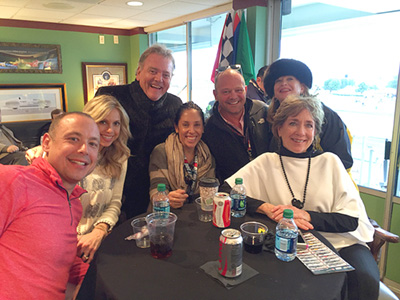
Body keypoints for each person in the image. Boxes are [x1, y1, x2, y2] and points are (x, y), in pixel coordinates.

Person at [223, 95, 379, 300]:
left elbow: (349, 220)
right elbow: (226, 190)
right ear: (279, 129)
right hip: (293, 244)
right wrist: (265, 207)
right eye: (293, 123)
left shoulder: (330, 162)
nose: (301, 132)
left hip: (343, 243)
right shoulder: (267, 162)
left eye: (309, 125)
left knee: (364, 279)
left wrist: (306, 215)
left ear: (315, 132)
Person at [0, 112, 100, 299]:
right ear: (46, 142)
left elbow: (60, 259)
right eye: (73, 138)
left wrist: (88, 278)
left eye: (93, 144)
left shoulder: (74, 204)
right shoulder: (14, 180)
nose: (84, 149)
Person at [96, 44, 182, 219]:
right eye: (153, 71)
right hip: (112, 189)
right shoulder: (110, 95)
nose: (159, 79)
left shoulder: (175, 105)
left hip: (158, 192)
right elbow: (85, 133)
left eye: (166, 74)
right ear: (138, 72)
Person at [66, 95, 131, 299]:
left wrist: (100, 231)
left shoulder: (120, 157)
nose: (110, 130)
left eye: (116, 123)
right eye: (102, 121)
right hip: (67, 244)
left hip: (98, 242)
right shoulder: (73, 154)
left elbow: (115, 203)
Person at [263, 58, 353, 170]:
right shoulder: (268, 118)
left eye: (290, 79)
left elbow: (342, 161)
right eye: (278, 81)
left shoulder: (326, 116)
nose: (284, 83)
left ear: (302, 87)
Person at [202, 67, 269, 183]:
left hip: (267, 187)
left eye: (238, 90)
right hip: (234, 194)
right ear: (215, 94)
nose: (233, 96)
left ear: (246, 90)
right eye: (226, 92)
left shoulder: (262, 112)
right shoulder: (208, 130)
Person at [149, 102, 215, 208]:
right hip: (165, 215)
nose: (192, 131)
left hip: (197, 214)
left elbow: (210, 192)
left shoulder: (207, 155)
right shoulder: (161, 151)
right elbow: (155, 190)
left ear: (203, 128)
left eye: (197, 125)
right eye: (185, 125)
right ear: (176, 127)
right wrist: (165, 199)